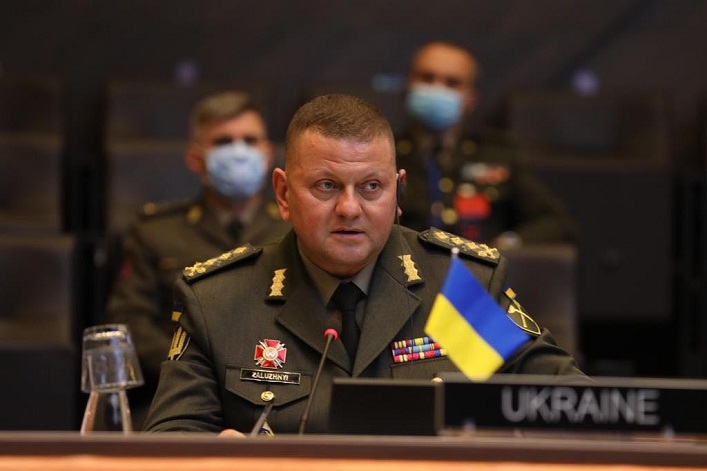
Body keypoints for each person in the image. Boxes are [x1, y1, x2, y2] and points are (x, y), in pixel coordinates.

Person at [143, 94, 584, 435]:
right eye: (326, 186)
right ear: (283, 194)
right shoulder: (221, 302)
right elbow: (168, 443)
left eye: (371, 186)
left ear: (398, 192)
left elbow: (573, 408)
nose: (350, 209)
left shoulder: (452, 290)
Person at [105, 90, 291, 430]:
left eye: (250, 140)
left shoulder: (294, 231)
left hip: (278, 394)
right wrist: (201, 368)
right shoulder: (156, 232)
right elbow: (129, 323)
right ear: (195, 158)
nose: (239, 152)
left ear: (267, 155)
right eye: (223, 142)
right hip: (178, 394)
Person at [397, 40, 576, 249]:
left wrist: (505, 246)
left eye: (452, 83)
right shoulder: (386, 152)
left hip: (478, 264)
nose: (437, 89)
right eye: (427, 78)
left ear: (471, 99)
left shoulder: (500, 154)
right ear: (409, 85)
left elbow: (556, 223)